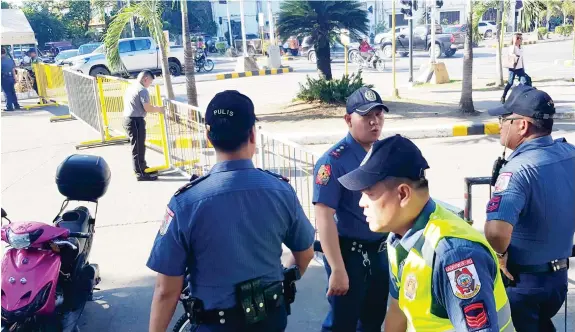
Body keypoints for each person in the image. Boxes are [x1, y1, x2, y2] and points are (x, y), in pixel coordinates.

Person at [146, 90, 315, 332]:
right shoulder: (281, 191)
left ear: (208, 135)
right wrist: (283, 275)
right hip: (270, 320)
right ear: (252, 134)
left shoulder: (186, 202)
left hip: (215, 325)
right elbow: (305, 255)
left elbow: (166, 290)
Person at [337, 134, 515, 332]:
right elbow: (399, 309)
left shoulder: (454, 256)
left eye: (369, 194)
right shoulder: (398, 239)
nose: (361, 203)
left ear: (403, 194)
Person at [484, 85, 575, 331]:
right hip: (558, 281)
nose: (501, 125)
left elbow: (496, 232)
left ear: (522, 125)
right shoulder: (569, 154)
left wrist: (501, 257)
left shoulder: (517, 170)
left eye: (505, 119)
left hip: (523, 284)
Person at [313, 86, 389, 331]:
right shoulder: (334, 161)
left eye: (378, 115)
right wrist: (337, 268)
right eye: (366, 116)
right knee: (342, 324)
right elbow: (323, 216)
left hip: (379, 252)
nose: (374, 122)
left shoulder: (383, 152)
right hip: (349, 256)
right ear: (348, 120)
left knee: (372, 321)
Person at [122, 70, 164, 181]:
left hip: (128, 119)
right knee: (138, 147)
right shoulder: (142, 90)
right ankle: (140, 172)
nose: (149, 85)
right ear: (145, 79)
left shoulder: (132, 87)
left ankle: (142, 167)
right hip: (135, 120)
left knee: (139, 146)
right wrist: (160, 109)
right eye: (150, 82)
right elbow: (147, 108)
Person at [501, 33, 530, 104]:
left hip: (520, 68)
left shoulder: (520, 48)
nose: (520, 40)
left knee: (524, 82)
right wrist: (514, 43)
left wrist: (523, 68)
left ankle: (522, 98)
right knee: (510, 83)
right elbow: (511, 54)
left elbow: (521, 59)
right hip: (513, 68)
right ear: (514, 39)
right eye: (518, 38)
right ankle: (503, 96)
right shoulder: (512, 47)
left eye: (521, 38)